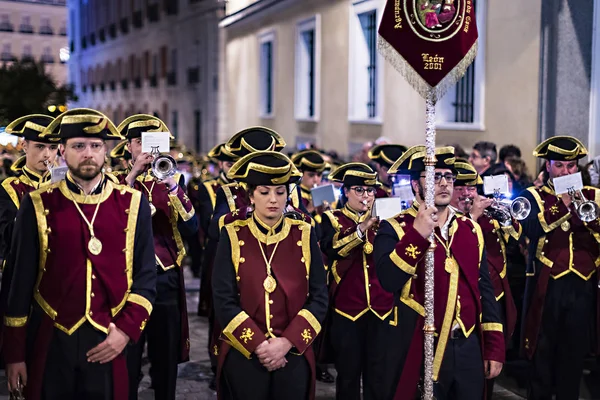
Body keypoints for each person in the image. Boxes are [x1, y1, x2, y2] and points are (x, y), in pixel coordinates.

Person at [3, 108, 156, 399]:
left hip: (109, 336)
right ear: (62, 150)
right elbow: (18, 282)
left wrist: (125, 331)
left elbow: (146, 279)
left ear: (106, 151)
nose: (88, 153)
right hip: (50, 338)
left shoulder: (132, 204)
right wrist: (14, 354)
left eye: (95, 146)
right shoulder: (37, 204)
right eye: (78, 146)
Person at [374, 146, 505, 400]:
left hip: (467, 345)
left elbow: (484, 291)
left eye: (448, 177)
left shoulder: (470, 229)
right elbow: (388, 280)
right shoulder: (395, 227)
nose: (444, 183)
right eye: (434, 176)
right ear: (415, 185)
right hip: (420, 343)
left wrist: (494, 347)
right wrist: (418, 234)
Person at [212, 151, 328, 400]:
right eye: (264, 192)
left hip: (293, 351)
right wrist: (259, 345)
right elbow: (223, 299)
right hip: (245, 350)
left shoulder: (304, 233)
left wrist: (286, 342)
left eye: (280, 192)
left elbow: (319, 297)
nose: (273, 200)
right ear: (251, 196)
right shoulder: (232, 234)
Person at [112, 114, 197, 400]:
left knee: (165, 357)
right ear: (129, 146)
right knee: (128, 356)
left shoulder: (172, 178)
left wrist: (173, 186)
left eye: (154, 143)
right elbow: (112, 219)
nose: (147, 149)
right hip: (128, 278)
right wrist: (133, 174)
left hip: (165, 277)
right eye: (139, 142)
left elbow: (192, 228)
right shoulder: (116, 180)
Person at [519, 136, 600, 400]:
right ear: (548, 166)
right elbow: (529, 229)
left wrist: (586, 211)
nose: (566, 172)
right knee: (542, 355)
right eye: (560, 166)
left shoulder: (594, 195)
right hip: (548, 284)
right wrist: (562, 204)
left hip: (582, 285)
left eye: (572, 166)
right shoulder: (534, 196)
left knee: (573, 357)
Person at [321, 162, 395, 400]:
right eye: (359, 190)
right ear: (345, 192)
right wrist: (362, 227)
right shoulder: (331, 219)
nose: (366, 196)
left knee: (379, 376)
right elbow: (333, 248)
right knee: (348, 376)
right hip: (347, 310)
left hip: (382, 308)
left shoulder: (387, 220)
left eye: (371, 190)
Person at [452, 159, 520, 399]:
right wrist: (471, 217)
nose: (467, 193)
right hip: (459, 306)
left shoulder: (489, 217)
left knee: (488, 366)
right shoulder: (445, 220)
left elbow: (514, 240)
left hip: (493, 298)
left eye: (471, 187)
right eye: (460, 187)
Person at [196, 143, 237, 389]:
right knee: (218, 310)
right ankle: (216, 363)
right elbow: (210, 225)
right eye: (231, 163)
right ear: (222, 164)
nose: (234, 168)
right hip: (218, 251)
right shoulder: (214, 188)